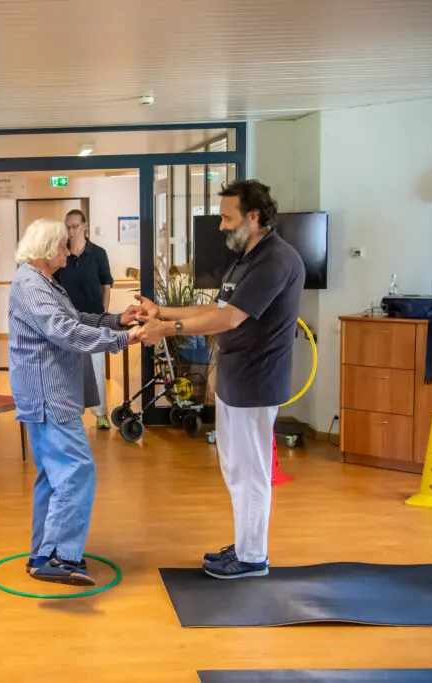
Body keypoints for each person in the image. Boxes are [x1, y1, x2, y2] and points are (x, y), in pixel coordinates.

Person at [136, 179, 304, 580]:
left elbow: (229, 319)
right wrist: (161, 311)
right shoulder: (247, 257)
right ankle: (246, 545)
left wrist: (168, 329)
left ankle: (251, 558)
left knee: (250, 471)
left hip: (256, 380)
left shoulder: (276, 261)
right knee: (236, 470)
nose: (222, 226)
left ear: (253, 216)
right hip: (235, 377)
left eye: (227, 217)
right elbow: (215, 305)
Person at [8, 218, 154, 586]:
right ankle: (60, 557)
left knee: (53, 476)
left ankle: (43, 553)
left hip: (49, 392)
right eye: (62, 244)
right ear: (45, 249)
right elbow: (64, 331)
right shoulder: (30, 283)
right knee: (77, 470)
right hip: (49, 395)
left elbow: (74, 317)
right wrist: (124, 340)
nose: (68, 250)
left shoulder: (42, 282)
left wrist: (118, 320)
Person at [54, 209, 115, 430]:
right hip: (68, 320)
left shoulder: (98, 254)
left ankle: (100, 414)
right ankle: (72, 413)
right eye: (68, 227)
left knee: (95, 367)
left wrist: (104, 313)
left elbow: (106, 285)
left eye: (75, 226)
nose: (71, 231)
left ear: (84, 226)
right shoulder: (61, 255)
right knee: (69, 367)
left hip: (94, 319)